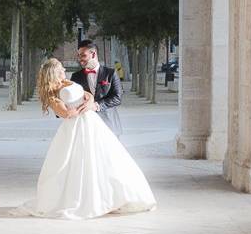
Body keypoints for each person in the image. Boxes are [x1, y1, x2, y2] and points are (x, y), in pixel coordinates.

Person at [15, 58, 156, 220]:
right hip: (76, 127)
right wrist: (79, 110)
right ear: (53, 72)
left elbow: (86, 93)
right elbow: (65, 113)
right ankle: (83, 200)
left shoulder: (67, 82)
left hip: (93, 124)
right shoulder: (52, 93)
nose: (63, 70)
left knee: (107, 160)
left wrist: (89, 100)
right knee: (77, 163)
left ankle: (112, 198)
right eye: (60, 68)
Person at [70, 40, 123, 136]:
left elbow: (117, 98)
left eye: (83, 55)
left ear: (93, 54)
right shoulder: (75, 77)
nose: (80, 59)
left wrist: (96, 105)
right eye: (79, 55)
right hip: (86, 127)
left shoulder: (111, 73)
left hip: (109, 125)